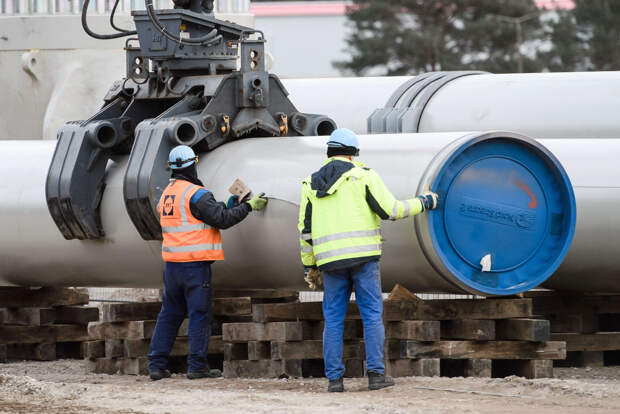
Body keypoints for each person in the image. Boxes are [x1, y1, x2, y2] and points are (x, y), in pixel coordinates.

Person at [298, 128, 438, 392]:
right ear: (353, 154)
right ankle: (375, 375)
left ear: (329, 153)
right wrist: (424, 202)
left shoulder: (310, 184)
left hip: (330, 263)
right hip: (363, 259)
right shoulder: (364, 177)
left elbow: (305, 231)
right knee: (372, 315)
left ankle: (334, 381)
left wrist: (309, 265)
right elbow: (391, 210)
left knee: (333, 319)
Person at [148, 145, 268, 380]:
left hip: (172, 266)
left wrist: (226, 205)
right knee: (199, 314)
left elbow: (197, 216)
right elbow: (221, 220)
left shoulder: (167, 194)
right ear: (193, 164)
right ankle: (197, 366)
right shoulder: (196, 193)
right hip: (194, 266)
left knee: (169, 314)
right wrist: (247, 207)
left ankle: (156, 365)